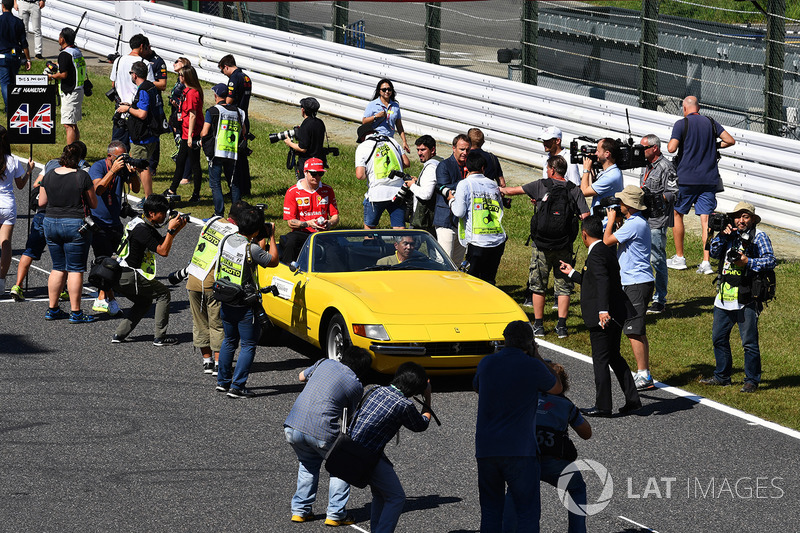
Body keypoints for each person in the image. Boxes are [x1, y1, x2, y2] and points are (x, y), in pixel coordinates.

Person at [473, 320, 561, 533]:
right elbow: (557, 387)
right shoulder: (532, 365)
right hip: (520, 450)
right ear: (530, 343)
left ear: (505, 339)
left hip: (486, 449)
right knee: (527, 513)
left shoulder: (486, 363)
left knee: (491, 512)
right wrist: (538, 356)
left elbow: (477, 387)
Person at [559, 216, 641, 417]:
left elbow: (603, 281)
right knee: (614, 357)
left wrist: (602, 310)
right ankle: (633, 399)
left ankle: (603, 406)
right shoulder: (604, 250)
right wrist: (572, 273)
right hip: (617, 313)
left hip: (603, 317)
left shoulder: (595, 254)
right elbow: (594, 280)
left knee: (601, 360)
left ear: (584, 234)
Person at [500, 155, 589, 338]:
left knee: (538, 285)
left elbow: (511, 191)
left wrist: (497, 188)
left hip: (541, 245)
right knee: (563, 286)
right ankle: (562, 326)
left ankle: (539, 325)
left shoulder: (541, 185)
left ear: (552, 170)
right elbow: (585, 215)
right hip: (564, 245)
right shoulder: (574, 190)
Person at [283, 346, 373, 526]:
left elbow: (301, 376)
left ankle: (300, 511)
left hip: (292, 426)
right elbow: (352, 417)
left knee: (308, 465)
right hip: (320, 432)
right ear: (363, 369)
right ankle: (335, 514)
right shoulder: (355, 384)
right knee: (342, 465)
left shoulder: (325, 362)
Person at [349, 361, 433, 533]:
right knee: (396, 497)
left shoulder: (375, 389)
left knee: (380, 494)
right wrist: (428, 398)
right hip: (368, 454)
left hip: (352, 448)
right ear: (416, 388)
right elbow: (421, 424)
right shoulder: (404, 405)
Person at [700, 202, 775, 393]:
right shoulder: (729, 235)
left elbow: (770, 260)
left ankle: (751, 380)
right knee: (718, 338)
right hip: (724, 296)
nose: (741, 220)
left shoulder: (760, 236)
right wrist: (721, 236)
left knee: (749, 343)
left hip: (747, 298)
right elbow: (714, 252)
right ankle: (722, 376)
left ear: (752, 219)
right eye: (738, 216)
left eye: (745, 217)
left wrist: (748, 261)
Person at [666, 96, 736, 275]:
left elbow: (671, 148)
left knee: (676, 213)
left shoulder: (682, 123)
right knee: (706, 220)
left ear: (684, 108)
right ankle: (706, 262)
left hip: (687, 179)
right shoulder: (711, 122)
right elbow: (730, 140)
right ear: (699, 107)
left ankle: (680, 257)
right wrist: (714, 145)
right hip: (709, 179)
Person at [214, 206, 279, 398]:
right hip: (245, 304)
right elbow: (273, 260)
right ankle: (237, 386)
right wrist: (272, 236)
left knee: (229, 341)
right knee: (249, 344)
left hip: (226, 298)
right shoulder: (252, 249)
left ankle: (223, 382)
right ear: (257, 230)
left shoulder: (227, 240)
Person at [11, 144, 86, 302]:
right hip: (65, 216)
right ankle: (64, 289)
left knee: (29, 251)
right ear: (81, 157)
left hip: (42, 214)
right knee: (63, 258)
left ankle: (17, 285)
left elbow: (36, 184)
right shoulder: (83, 169)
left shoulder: (51, 163)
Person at [112, 194, 188, 345]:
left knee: (144, 301)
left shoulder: (141, 222)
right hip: (129, 275)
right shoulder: (142, 230)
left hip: (120, 274)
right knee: (164, 293)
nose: (166, 216)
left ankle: (119, 334)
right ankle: (160, 337)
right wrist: (171, 231)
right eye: (163, 212)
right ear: (152, 213)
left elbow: (162, 241)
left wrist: (178, 227)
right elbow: (163, 251)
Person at [181, 203, 244, 375]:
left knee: (200, 323)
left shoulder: (213, 221)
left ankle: (207, 361)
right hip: (211, 284)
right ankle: (218, 363)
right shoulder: (235, 233)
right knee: (217, 324)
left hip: (193, 279)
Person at [603, 186, 656, 391]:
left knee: (633, 330)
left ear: (630, 205)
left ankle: (644, 374)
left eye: (622, 202)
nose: (619, 205)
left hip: (636, 282)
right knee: (637, 329)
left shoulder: (635, 224)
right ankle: (644, 372)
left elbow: (607, 241)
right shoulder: (635, 223)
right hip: (636, 281)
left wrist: (609, 222)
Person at [39, 143, 97, 323]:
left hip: (50, 222)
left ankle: (53, 308)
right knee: (75, 269)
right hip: (75, 223)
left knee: (57, 267)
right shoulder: (82, 176)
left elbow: (41, 202)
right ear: (79, 159)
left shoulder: (48, 176)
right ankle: (76, 312)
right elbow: (93, 204)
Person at [87, 140, 141, 317]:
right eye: (119, 157)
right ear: (110, 156)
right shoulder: (98, 167)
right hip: (99, 222)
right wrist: (113, 171)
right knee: (104, 262)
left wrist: (132, 174)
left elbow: (136, 189)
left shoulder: (122, 169)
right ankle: (104, 298)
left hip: (115, 222)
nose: (122, 161)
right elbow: (98, 189)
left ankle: (105, 297)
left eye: (125, 157)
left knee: (117, 262)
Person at [448, 151, 507, 285]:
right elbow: (500, 209)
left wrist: (451, 200)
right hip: (497, 239)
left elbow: (459, 212)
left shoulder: (465, 184)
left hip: (477, 241)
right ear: (483, 168)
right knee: (489, 280)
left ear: (467, 168)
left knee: (473, 281)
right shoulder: (492, 184)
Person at [639, 134, 678, 314]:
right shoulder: (645, 165)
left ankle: (660, 299)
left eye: (644, 148)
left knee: (657, 258)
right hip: (642, 217)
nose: (640, 151)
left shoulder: (666, 167)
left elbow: (674, 193)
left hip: (658, 219)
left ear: (655, 148)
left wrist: (654, 198)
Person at [200, 82, 246, 217]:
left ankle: (218, 213)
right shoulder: (239, 111)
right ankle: (237, 215)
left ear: (216, 96)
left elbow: (204, 132)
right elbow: (244, 131)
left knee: (215, 184)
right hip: (232, 152)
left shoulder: (212, 111)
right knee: (234, 183)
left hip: (216, 152)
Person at [117, 61, 162, 197]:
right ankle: (148, 197)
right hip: (152, 133)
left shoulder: (143, 89)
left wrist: (128, 109)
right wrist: (132, 105)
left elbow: (142, 114)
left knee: (141, 166)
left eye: (131, 73)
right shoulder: (151, 87)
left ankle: (148, 198)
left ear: (135, 75)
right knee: (141, 164)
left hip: (143, 136)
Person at [281, 157, 338, 263]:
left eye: (320, 174)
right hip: (302, 233)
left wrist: (329, 223)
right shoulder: (293, 192)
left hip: (323, 234)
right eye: (313, 173)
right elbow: (291, 222)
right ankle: (287, 270)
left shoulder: (327, 190)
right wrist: (308, 224)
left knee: (337, 251)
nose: (317, 177)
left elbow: (335, 216)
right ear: (305, 172)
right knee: (290, 243)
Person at [355, 123, 409, 230]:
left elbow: (360, 175)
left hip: (376, 194)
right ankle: (401, 246)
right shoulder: (392, 141)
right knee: (399, 228)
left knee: (370, 227)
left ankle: (371, 245)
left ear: (362, 137)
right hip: (399, 192)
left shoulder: (362, 147)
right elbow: (406, 163)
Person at [0, 125, 33, 295]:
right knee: (6, 244)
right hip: (8, 205)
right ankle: (1, 282)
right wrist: (28, 171)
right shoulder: (12, 161)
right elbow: (20, 185)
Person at [165, 65, 203, 203]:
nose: (179, 77)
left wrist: (191, 136)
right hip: (186, 132)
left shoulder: (193, 92)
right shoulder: (186, 91)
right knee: (180, 161)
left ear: (186, 76)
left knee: (194, 164)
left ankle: (196, 194)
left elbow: (193, 115)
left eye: (181, 75)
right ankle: (172, 189)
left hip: (191, 134)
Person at [109, 33, 155, 144]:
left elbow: (113, 84)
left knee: (118, 148)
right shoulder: (145, 64)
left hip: (120, 110)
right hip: (137, 112)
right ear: (141, 46)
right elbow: (149, 88)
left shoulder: (118, 61)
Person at [218, 54, 252, 196]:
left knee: (233, 157)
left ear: (226, 66)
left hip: (235, 120)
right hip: (244, 118)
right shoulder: (246, 77)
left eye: (222, 70)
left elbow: (229, 100)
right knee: (242, 157)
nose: (223, 74)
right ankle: (245, 188)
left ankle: (236, 188)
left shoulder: (234, 78)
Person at [434, 134, 470, 265]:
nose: (465, 153)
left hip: (462, 222)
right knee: (444, 261)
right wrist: (467, 182)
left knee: (457, 263)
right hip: (446, 221)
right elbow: (444, 187)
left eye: (467, 150)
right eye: (461, 149)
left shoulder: (470, 166)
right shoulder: (444, 165)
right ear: (453, 148)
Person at [46, 27, 84, 145]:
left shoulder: (65, 54)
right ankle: (77, 151)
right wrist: (58, 64)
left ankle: (70, 153)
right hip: (78, 89)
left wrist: (51, 77)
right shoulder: (76, 51)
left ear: (62, 39)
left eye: (59, 36)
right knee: (73, 123)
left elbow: (63, 74)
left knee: (68, 125)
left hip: (70, 92)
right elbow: (70, 66)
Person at [283, 96, 327, 180]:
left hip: (307, 163)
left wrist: (290, 143)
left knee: (306, 185)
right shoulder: (320, 123)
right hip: (318, 161)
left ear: (303, 110)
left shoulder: (306, 125)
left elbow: (302, 148)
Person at [362, 78, 410, 154]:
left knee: (405, 163)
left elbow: (399, 125)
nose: (387, 92)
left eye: (389, 89)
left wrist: (404, 141)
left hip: (389, 138)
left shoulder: (395, 106)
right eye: (384, 90)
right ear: (379, 91)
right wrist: (376, 116)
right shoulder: (373, 104)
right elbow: (364, 121)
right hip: (375, 137)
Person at [404, 135, 440, 235]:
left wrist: (412, 185)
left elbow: (426, 194)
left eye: (423, 150)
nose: (419, 153)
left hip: (424, 219)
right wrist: (417, 182)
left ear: (432, 149)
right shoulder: (439, 162)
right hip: (432, 217)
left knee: (408, 245)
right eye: (418, 150)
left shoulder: (431, 167)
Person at [0, 0, 31, 111]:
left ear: (2, 6)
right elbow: (24, 43)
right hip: (15, 56)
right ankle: (15, 104)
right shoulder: (18, 22)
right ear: (13, 6)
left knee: (4, 83)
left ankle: (10, 108)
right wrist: (28, 59)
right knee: (13, 82)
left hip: (2, 56)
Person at [579, 138, 623, 210]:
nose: (596, 154)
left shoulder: (611, 176)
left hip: (606, 220)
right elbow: (590, 187)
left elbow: (583, 191)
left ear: (607, 154)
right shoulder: (607, 172)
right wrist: (590, 169)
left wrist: (586, 170)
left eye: (598, 151)